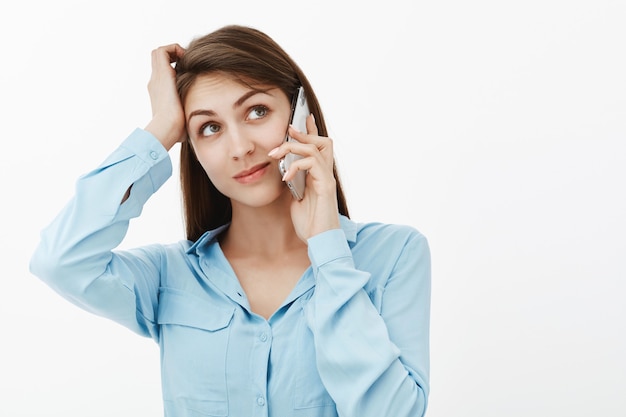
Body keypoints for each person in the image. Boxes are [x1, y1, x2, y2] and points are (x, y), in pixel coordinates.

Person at [30, 24, 431, 417]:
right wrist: (160, 130)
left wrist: (327, 247)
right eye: (209, 128)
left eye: (257, 111)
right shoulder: (168, 276)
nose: (240, 147)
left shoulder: (393, 255)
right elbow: (60, 261)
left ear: (300, 112)